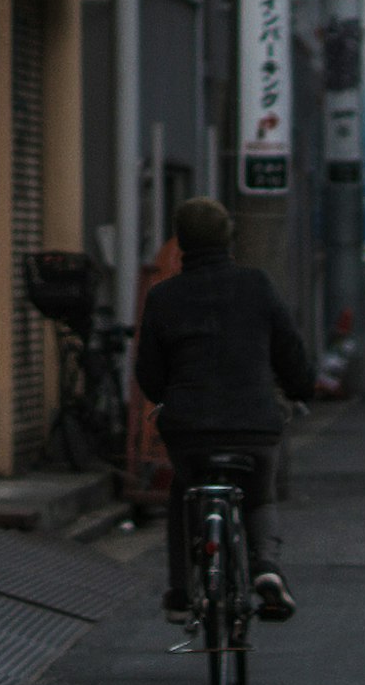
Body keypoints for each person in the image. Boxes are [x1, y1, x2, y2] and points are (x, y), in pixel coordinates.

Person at [133, 194, 323, 632]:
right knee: (258, 495)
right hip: (254, 425)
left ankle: (181, 594)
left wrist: (170, 399)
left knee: (184, 494)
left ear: (180, 243)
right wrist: (300, 389)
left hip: (189, 431)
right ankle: (267, 568)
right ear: (229, 238)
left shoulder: (164, 297)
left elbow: (148, 372)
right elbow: (290, 352)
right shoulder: (257, 285)